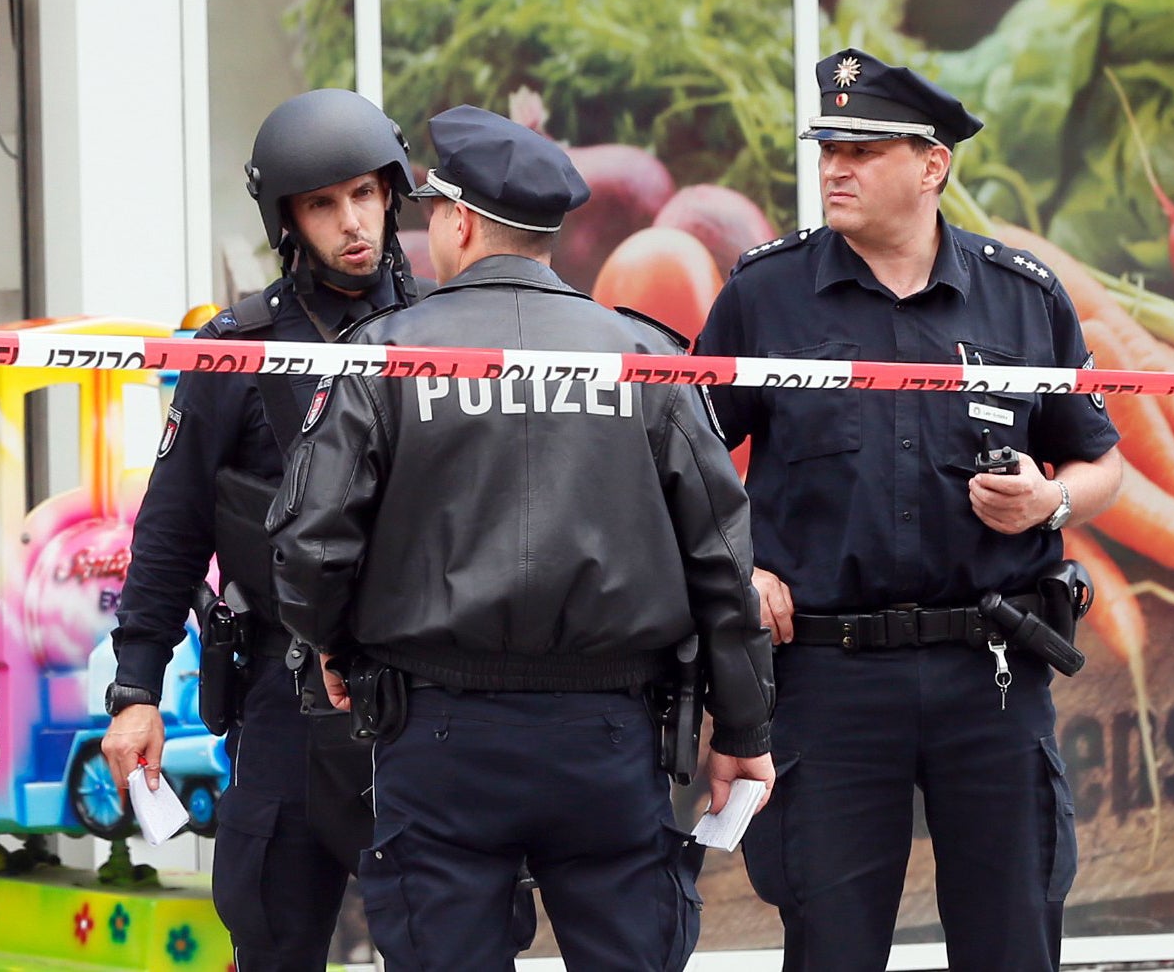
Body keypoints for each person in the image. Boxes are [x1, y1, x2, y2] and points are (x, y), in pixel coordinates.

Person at [271, 105, 777, 972]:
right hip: (609, 739)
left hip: (436, 735)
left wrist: (328, 644)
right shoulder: (643, 357)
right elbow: (721, 561)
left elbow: (312, 545)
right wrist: (743, 726)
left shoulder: (380, 355)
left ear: (460, 221)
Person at [694, 49, 1126, 972]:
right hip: (828, 680)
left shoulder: (1022, 297)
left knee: (1013, 941)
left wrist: (1049, 502)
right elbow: (679, 464)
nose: (834, 168)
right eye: (827, 147)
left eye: (863, 148)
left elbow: (1104, 466)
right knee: (833, 948)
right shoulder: (763, 295)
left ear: (932, 165)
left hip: (992, 674)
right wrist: (742, 571)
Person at [104, 87, 423, 971]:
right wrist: (135, 691)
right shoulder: (235, 351)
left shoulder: (443, 331)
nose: (351, 221)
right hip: (284, 693)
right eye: (323, 204)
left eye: (364, 193)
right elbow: (169, 537)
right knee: (274, 934)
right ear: (287, 220)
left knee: (446, 938)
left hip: (429, 691)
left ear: (392, 193)